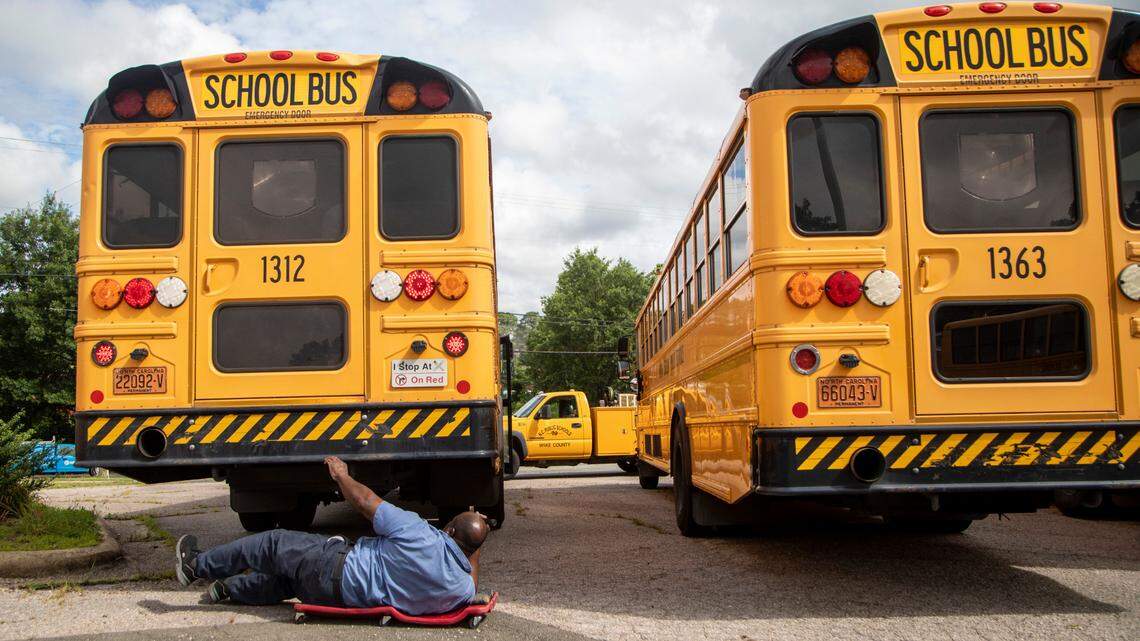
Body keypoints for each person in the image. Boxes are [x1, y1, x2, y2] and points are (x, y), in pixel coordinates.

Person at [173, 456, 489, 615]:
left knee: (273, 544)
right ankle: (229, 590)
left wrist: (342, 476)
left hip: (334, 568)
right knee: (291, 581)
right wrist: (478, 536)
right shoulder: (460, 588)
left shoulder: (420, 533)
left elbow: (366, 503)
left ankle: (196, 566)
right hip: (340, 598)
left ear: (447, 529)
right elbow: (472, 571)